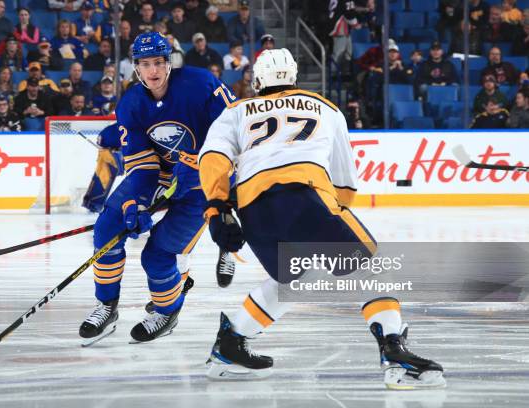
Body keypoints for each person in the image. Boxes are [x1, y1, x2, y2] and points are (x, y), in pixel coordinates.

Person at [197, 48, 445, 388]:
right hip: (306, 197)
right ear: (295, 77)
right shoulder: (326, 108)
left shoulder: (237, 110)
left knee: (294, 279)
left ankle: (230, 344)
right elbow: (344, 182)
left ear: (257, 81)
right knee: (371, 266)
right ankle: (393, 351)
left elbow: (212, 158)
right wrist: (330, 219)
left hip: (253, 209)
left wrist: (216, 208)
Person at [78, 31, 235, 346]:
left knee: (158, 254)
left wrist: (202, 170)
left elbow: (234, 131)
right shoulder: (132, 104)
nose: (154, 71)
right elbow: (144, 166)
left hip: (204, 182)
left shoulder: (201, 84)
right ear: (136, 68)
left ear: (169, 62)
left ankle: (167, 310)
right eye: (146, 64)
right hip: (164, 176)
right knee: (107, 227)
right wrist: (134, 203)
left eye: (159, 63)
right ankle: (107, 306)